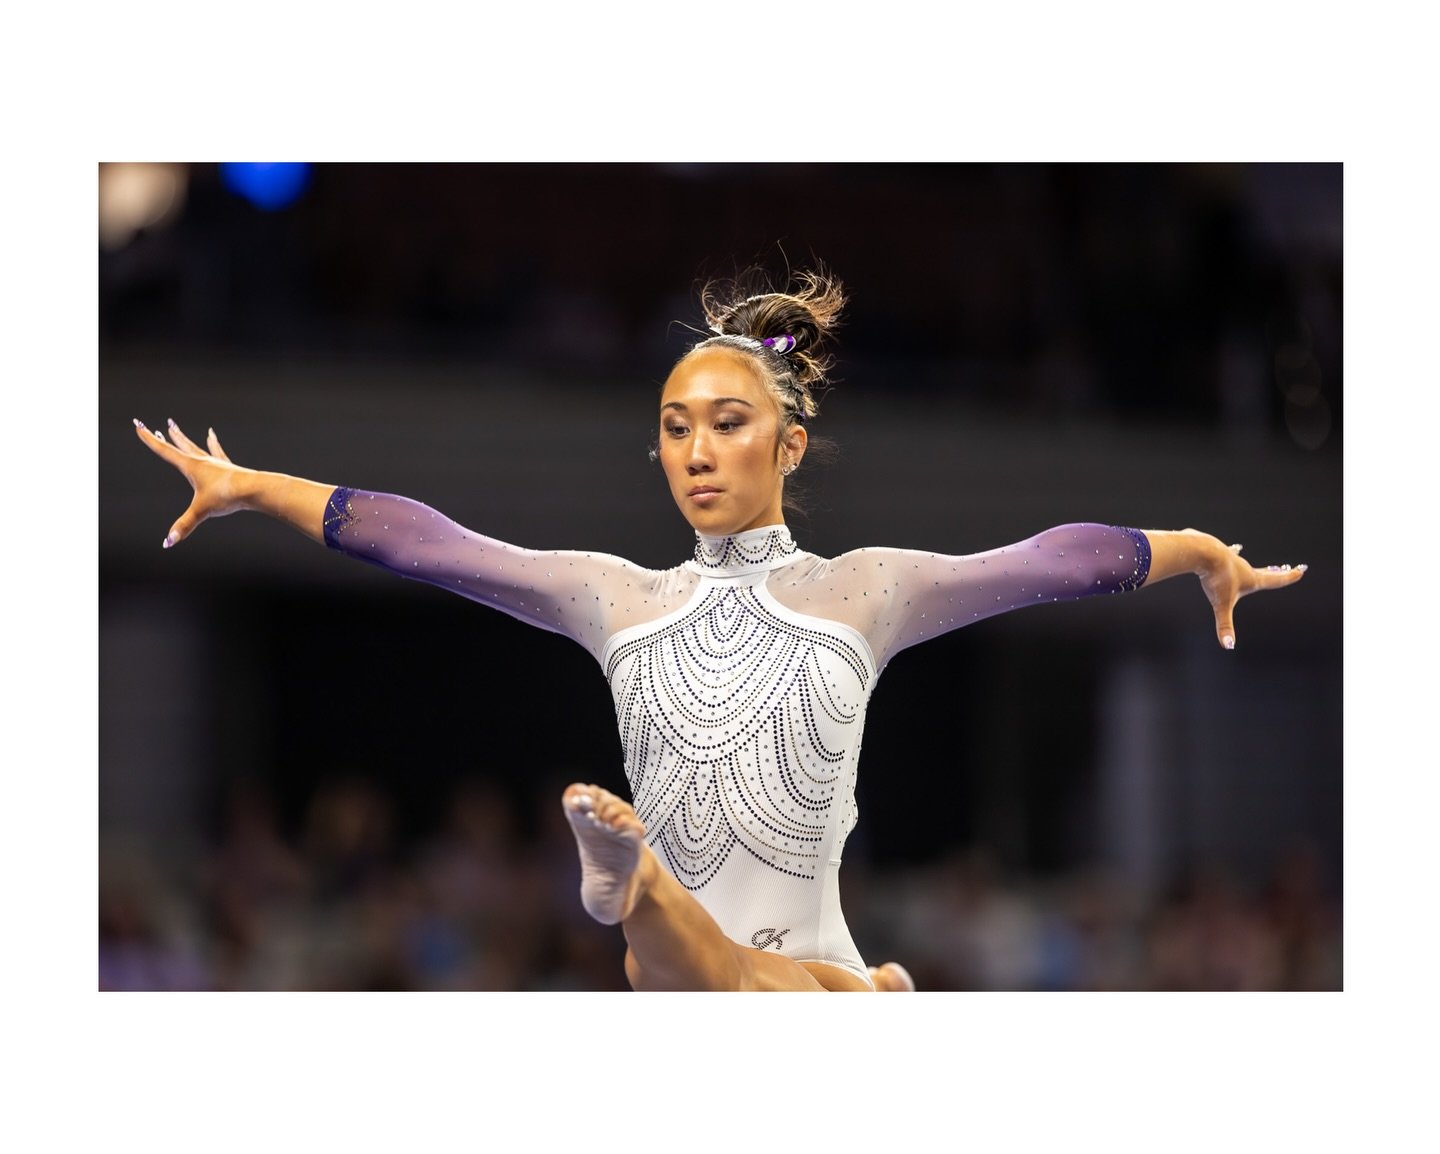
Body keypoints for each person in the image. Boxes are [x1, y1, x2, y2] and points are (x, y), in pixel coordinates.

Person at [133, 265, 1306, 992]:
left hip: (809, 970)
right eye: (675, 425)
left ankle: (640, 890)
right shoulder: (618, 599)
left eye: (728, 421)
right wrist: (255, 489)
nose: (696, 448)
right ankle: (636, 889)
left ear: (787, 444)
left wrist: (1202, 552)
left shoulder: (867, 590)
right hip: (685, 989)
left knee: (758, 977)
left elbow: (1050, 561)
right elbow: (428, 542)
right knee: (675, 951)